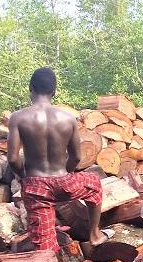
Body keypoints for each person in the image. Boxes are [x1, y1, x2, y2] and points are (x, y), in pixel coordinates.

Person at [7, 68, 105, 252]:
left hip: (37, 188)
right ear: (54, 91)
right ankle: (94, 234)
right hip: (64, 182)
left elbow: (12, 159)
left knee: (44, 249)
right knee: (94, 183)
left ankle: (50, 258)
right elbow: (76, 157)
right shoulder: (68, 118)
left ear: (31, 88)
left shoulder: (18, 118)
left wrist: (23, 177)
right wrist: (65, 175)